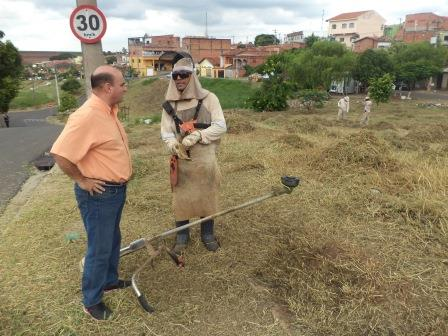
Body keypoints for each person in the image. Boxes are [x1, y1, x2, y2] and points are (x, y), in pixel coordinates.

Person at [51, 65, 131, 321]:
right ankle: (92, 300)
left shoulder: (108, 111)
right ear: (108, 88)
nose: (125, 87)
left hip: (115, 191)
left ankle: (108, 280)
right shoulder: (87, 116)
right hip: (99, 194)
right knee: (99, 246)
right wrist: (81, 180)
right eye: (122, 84)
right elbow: (60, 154)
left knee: (112, 238)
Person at [160, 57, 227, 254]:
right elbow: (166, 131)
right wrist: (172, 143)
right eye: (176, 75)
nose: (179, 78)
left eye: (184, 75)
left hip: (204, 157)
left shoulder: (209, 98)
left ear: (192, 76)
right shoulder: (169, 104)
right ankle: (182, 235)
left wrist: (199, 134)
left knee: (207, 194)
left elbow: (221, 126)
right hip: (180, 159)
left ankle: (208, 233)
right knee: (181, 197)